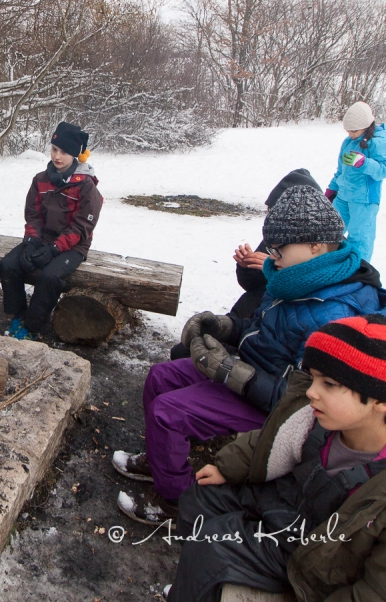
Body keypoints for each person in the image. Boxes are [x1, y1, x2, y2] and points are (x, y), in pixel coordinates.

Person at [113, 185, 386, 525]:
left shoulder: (335, 311)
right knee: (160, 377)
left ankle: (176, 502)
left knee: (169, 412)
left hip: (273, 404)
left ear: (316, 244)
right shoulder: (296, 278)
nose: (271, 256)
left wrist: (234, 374)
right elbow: (262, 329)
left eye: (279, 247)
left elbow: (304, 402)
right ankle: (161, 461)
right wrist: (223, 327)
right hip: (251, 373)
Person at [165, 316, 386, 601]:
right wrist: (227, 467)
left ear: (380, 401)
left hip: (316, 552)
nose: (311, 391)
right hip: (284, 501)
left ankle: (197, 584)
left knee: (212, 547)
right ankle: (194, 583)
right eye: (313, 377)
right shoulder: (318, 419)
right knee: (200, 499)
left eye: (328, 383)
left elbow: (374, 591)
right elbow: (271, 440)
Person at [169, 168, 321, 361]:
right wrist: (245, 266)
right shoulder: (275, 238)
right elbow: (252, 286)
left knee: (188, 356)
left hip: (262, 335)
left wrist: (273, 267)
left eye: (274, 211)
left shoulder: (312, 248)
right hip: (245, 318)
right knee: (181, 351)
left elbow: (298, 301)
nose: (269, 218)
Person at [0, 122, 102, 341]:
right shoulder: (41, 180)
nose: (57, 156)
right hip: (43, 238)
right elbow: (33, 215)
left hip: (73, 245)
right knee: (8, 265)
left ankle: (34, 325)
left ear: (76, 155)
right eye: (54, 149)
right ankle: (18, 315)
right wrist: (31, 242)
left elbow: (82, 226)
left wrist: (55, 249)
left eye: (64, 152)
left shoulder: (86, 186)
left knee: (49, 277)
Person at [326, 101, 386, 263]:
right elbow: (341, 170)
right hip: (344, 195)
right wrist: (332, 189)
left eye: (354, 131)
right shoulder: (348, 142)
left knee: (360, 237)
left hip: (364, 200)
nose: (351, 134)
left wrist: (363, 163)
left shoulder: (378, 142)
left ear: (366, 126)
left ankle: (360, 271)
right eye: (348, 131)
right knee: (330, 231)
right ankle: (329, 265)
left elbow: (382, 170)